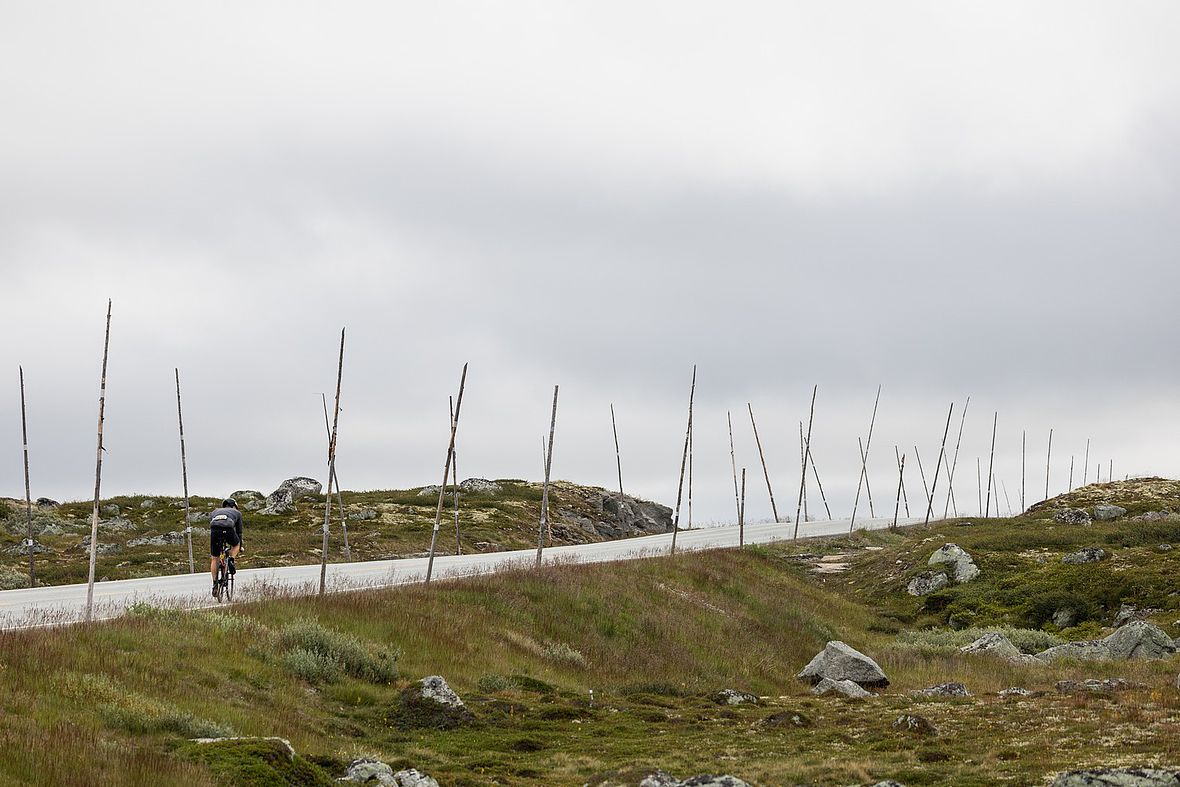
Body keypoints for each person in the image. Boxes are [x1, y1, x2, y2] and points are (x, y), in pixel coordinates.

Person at [209, 498, 243, 596]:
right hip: (228, 529)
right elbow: (239, 532)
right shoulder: (237, 513)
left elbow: (212, 523)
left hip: (214, 530)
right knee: (236, 544)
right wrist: (240, 546)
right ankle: (231, 560)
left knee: (215, 558)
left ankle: (215, 584)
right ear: (234, 506)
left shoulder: (215, 511)